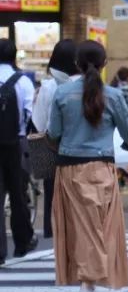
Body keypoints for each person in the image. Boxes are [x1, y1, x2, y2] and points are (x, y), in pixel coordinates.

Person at [48, 41, 128, 292]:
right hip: (101, 169)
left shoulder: (62, 94)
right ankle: (88, 285)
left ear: (76, 64)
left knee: (80, 228)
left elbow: (53, 133)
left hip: (68, 168)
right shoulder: (113, 95)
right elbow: (127, 132)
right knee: (98, 227)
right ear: (104, 64)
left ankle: (87, 282)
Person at [31, 39, 79, 241]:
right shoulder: (87, 85)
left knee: (52, 192)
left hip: (54, 147)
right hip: (82, 151)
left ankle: (52, 232)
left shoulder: (48, 87)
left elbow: (39, 122)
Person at [0, 39, 37, 264]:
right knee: (18, 194)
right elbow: (30, 114)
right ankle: (22, 243)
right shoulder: (23, 81)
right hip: (17, 144)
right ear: (14, 56)